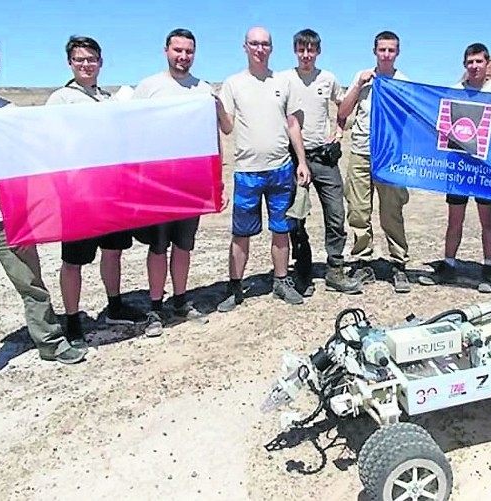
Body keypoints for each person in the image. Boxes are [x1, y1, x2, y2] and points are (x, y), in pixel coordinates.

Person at [0, 36, 87, 392]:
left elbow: (33, 163)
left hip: (9, 217)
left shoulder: (8, 112)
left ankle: (51, 341)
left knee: (32, 286)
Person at [45, 36, 142, 349]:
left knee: (113, 252)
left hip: (111, 192)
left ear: (101, 62)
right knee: (73, 260)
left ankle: (114, 305)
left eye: (91, 59)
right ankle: (73, 319)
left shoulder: (109, 99)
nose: (86, 64)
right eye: (79, 59)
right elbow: (51, 141)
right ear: (70, 63)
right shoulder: (61, 99)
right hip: (77, 196)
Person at [215, 27, 312, 311]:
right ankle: (235, 288)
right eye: (254, 43)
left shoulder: (283, 82)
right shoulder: (233, 84)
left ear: (271, 48)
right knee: (241, 233)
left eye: (265, 44)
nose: (260, 48)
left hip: (280, 168)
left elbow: (292, 123)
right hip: (247, 171)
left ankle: (281, 281)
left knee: (281, 229)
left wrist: (302, 162)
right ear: (245, 47)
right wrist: (218, 108)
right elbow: (228, 126)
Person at [132, 28, 212, 336]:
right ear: (166, 50)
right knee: (157, 246)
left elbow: (214, 135)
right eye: (178, 50)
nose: (183, 56)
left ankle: (180, 300)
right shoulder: (150, 87)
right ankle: (155, 307)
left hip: (189, 184)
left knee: (183, 245)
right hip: (156, 183)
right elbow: (131, 128)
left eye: (188, 51)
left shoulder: (202, 89)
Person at [418, 42, 491, 293]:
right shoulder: (455, 91)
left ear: (487, 63)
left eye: (479, 61)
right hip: (458, 165)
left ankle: (488, 269)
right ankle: (448, 265)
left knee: (486, 219)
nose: (474, 66)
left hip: (485, 166)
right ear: (464, 65)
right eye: (470, 62)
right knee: (454, 218)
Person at [280, 29, 362, 297]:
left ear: (318, 51)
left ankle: (335, 269)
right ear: (295, 50)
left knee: (336, 213)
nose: (306, 55)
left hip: (324, 157)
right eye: (301, 50)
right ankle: (302, 267)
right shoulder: (285, 79)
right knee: (297, 215)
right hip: (294, 158)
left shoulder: (328, 79)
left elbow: (344, 106)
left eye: (311, 50)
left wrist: (339, 129)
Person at [338, 31, 412, 293]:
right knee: (358, 210)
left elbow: (410, 121)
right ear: (374, 51)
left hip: (390, 155)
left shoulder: (403, 82)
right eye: (382, 50)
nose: (386, 54)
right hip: (360, 150)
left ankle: (398, 263)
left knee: (392, 211)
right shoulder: (363, 79)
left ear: (397, 53)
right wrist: (358, 85)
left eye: (391, 50)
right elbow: (343, 112)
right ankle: (362, 260)